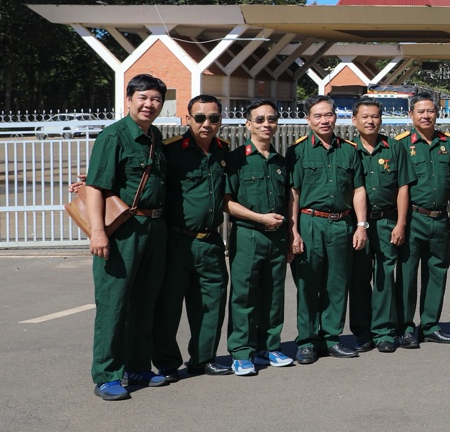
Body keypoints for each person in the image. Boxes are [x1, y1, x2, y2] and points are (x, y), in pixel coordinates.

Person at [84, 74, 170, 400]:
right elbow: (96, 187)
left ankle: (137, 367)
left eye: (156, 99)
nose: (149, 104)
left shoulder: (154, 136)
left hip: (153, 229)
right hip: (121, 232)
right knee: (114, 305)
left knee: (144, 303)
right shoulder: (114, 136)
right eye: (143, 98)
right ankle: (107, 374)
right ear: (129, 99)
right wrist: (98, 232)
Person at [152, 94, 231, 380]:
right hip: (176, 241)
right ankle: (167, 363)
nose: (206, 123)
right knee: (169, 305)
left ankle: (203, 358)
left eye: (213, 118)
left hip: (210, 242)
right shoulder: (170, 150)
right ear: (188, 119)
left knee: (211, 303)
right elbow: (140, 177)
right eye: (200, 117)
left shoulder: (225, 150)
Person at [289, 94, 368, 364]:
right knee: (308, 284)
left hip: (342, 223)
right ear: (308, 119)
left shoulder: (349, 150)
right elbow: (294, 193)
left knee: (337, 284)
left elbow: (358, 189)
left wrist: (361, 226)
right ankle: (308, 341)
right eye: (318, 116)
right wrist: (294, 231)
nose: (324, 120)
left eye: (328, 115)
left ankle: (332, 337)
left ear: (337, 116)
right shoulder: (298, 151)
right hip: (311, 222)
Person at [224, 98, 296, 374]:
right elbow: (226, 202)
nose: (267, 124)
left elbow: (289, 200)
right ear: (248, 124)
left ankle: (270, 348)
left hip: (276, 238)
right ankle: (242, 352)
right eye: (260, 119)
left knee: (274, 295)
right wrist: (259, 218)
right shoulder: (236, 159)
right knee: (244, 295)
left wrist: (290, 235)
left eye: (272, 119)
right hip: (248, 235)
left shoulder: (281, 162)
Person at [397, 95, 450, 346]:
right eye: (421, 111)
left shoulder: (449, 144)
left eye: (431, 111)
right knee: (407, 274)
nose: (426, 116)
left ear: (437, 114)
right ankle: (404, 326)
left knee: (437, 272)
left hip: (440, 219)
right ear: (411, 115)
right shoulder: (401, 144)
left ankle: (431, 324)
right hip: (413, 218)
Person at [353, 97, 415, 353]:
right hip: (358, 225)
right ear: (354, 120)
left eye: (375, 116)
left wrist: (400, 223)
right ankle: (362, 332)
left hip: (387, 220)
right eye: (365, 117)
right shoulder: (347, 148)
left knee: (385, 279)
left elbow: (403, 187)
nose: (370, 121)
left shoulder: (394, 147)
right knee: (358, 279)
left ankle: (384, 332)